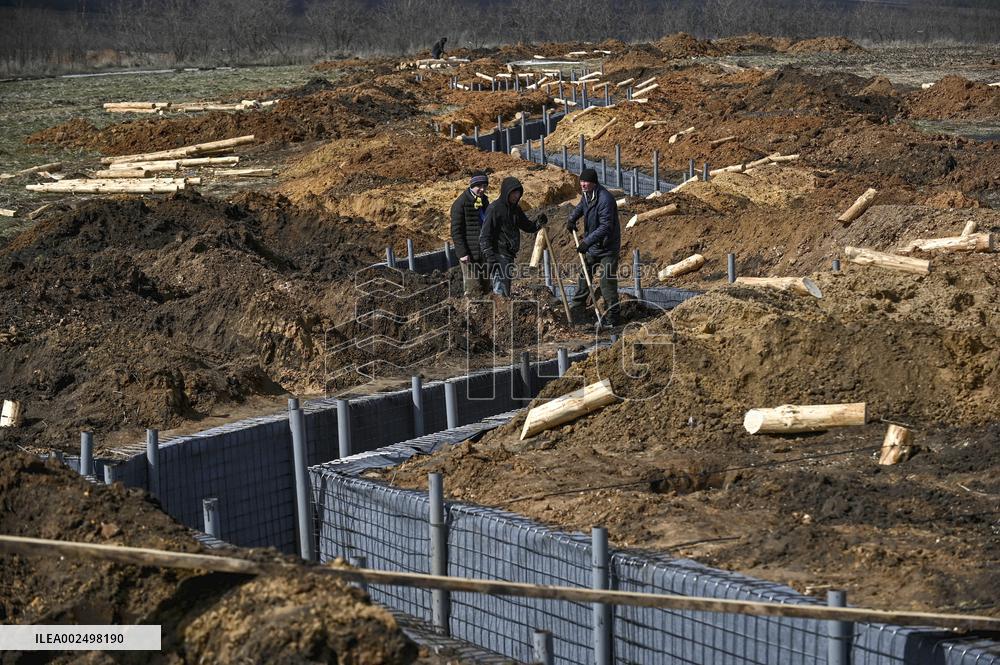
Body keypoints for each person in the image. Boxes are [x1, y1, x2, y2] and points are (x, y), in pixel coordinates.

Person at [565, 167, 621, 326]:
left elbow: (605, 227)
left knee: (606, 280)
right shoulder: (587, 194)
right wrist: (571, 219)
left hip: (608, 247)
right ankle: (577, 308)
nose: (582, 184)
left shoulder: (605, 199)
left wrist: (586, 242)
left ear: (594, 183)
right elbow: (582, 206)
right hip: (594, 246)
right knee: (585, 275)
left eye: (586, 182)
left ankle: (613, 317)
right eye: (581, 181)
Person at [479, 176, 547, 297]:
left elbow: (527, 226)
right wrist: (490, 256)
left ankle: (503, 311)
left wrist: (538, 223)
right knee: (500, 289)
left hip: (509, 254)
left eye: (518, 193)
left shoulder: (515, 209)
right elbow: (484, 235)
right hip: (498, 254)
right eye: (513, 193)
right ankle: (499, 313)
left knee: (505, 289)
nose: (516, 196)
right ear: (506, 192)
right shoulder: (495, 209)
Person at [450, 171, 491, 296]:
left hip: (483, 252)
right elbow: (456, 231)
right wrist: (462, 253)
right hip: (469, 255)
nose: (482, 189)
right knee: (473, 289)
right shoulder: (460, 204)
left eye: (485, 186)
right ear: (472, 185)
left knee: (486, 287)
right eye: (479, 186)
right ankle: (471, 312)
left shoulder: (484, 200)